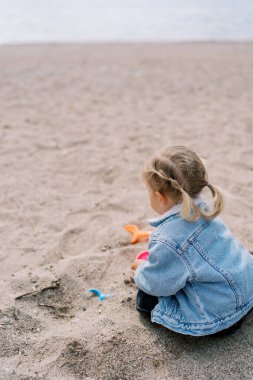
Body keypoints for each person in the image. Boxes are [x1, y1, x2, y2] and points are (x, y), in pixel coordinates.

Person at [131, 145, 253, 337]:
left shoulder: (167, 240)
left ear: (159, 197)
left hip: (218, 318)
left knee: (144, 299)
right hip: (248, 291)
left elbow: (158, 284)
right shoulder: (208, 210)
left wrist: (140, 269)